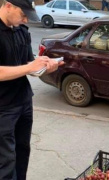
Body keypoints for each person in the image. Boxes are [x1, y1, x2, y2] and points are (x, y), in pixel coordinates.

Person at [0, 0, 64, 179]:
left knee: (22, 152)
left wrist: (45, 67)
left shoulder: (22, 31)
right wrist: (29, 68)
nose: (26, 20)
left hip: (24, 101)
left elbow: (29, 65)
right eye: (23, 15)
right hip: (3, 108)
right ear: (8, 6)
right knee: (5, 160)